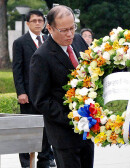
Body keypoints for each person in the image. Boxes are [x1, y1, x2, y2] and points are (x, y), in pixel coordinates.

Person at [29, 5, 94, 168]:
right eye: (64, 30)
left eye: (72, 28)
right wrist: (72, 118)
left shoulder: (78, 40)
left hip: (87, 131)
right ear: (49, 28)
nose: (70, 34)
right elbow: (41, 100)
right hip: (63, 134)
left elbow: (92, 71)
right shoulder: (41, 57)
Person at [12, 10, 55, 168]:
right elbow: (17, 69)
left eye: (40, 20)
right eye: (34, 20)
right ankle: (26, 165)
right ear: (27, 23)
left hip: (47, 96)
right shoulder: (20, 42)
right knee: (27, 132)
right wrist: (21, 92)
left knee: (45, 132)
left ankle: (44, 162)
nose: (38, 23)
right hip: (28, 96)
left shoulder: (49, 40)